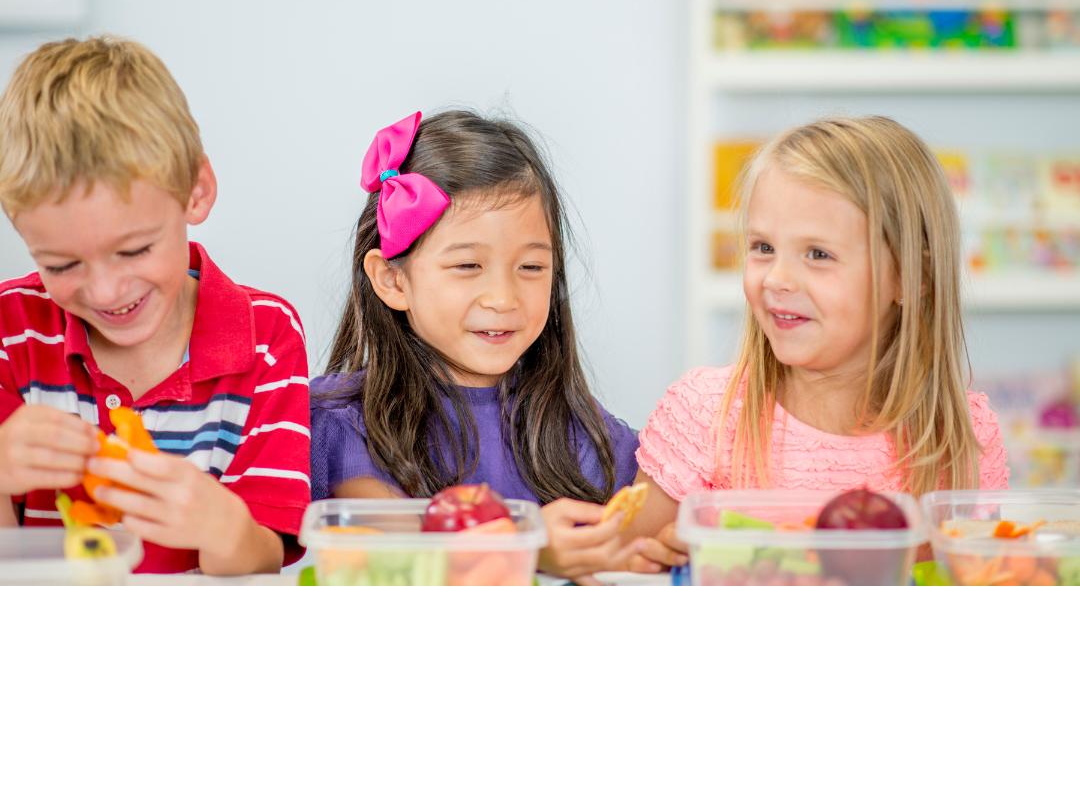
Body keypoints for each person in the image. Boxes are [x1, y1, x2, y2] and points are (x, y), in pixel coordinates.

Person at [621, 115, 1009, 572]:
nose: (777, 278)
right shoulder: (704, 413)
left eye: (818, 254)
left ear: (911, 277)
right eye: (763, 247)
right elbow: (618, 568)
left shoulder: (960, 435)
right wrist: (661, 559)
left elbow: (981, 582)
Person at [0, 37, 310, 575]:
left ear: (196, 191)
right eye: (61, 265)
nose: (104, 291)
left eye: (134, 250)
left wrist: (222, 525)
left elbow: (265, 556)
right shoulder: (13, 330)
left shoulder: (267, 336)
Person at [310, 110, 643, 579]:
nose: (504, 298)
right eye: (468, 266)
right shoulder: (340, 427)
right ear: (392, 279)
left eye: (531, 267)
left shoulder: (581, 433)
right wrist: (528, 549)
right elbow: (394, 556)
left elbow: (649, 538)